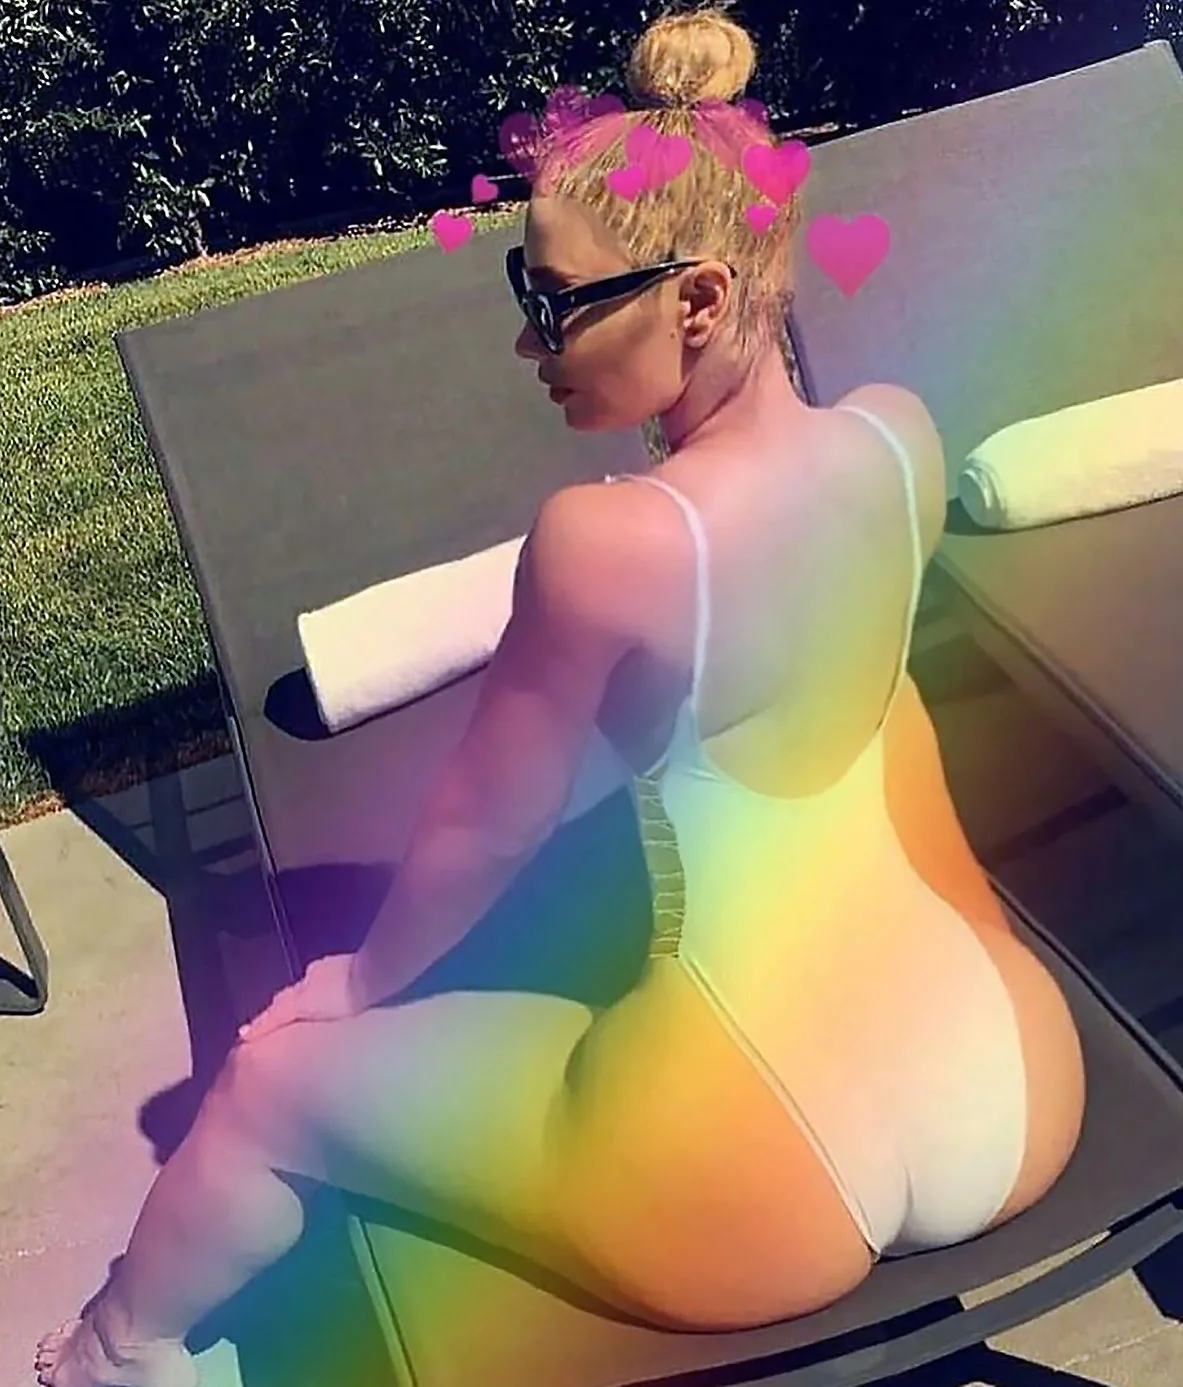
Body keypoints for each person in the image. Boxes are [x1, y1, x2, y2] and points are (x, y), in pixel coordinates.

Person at [35, 5, 1086, 1382]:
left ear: (697, 300)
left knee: (263, 1090)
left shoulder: (607, 545)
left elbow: (483, 828)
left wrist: (352, 981)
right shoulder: (900, 440)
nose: (531, 347)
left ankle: (111, 1354)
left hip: (759, 1164)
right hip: (1011, 1081)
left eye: (554, 304)